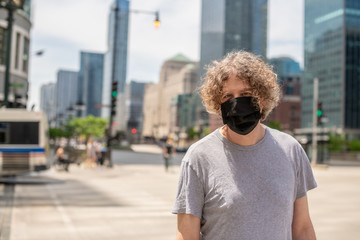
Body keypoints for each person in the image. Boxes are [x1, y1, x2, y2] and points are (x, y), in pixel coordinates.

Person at [172, 51, 317, 240]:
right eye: (227, 96)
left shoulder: (291, 150)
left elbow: (303, 228)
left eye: (246, 94)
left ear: (263, 99)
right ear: (217, 103)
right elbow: (186, 235)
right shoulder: (198, 157)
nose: (237, 102)